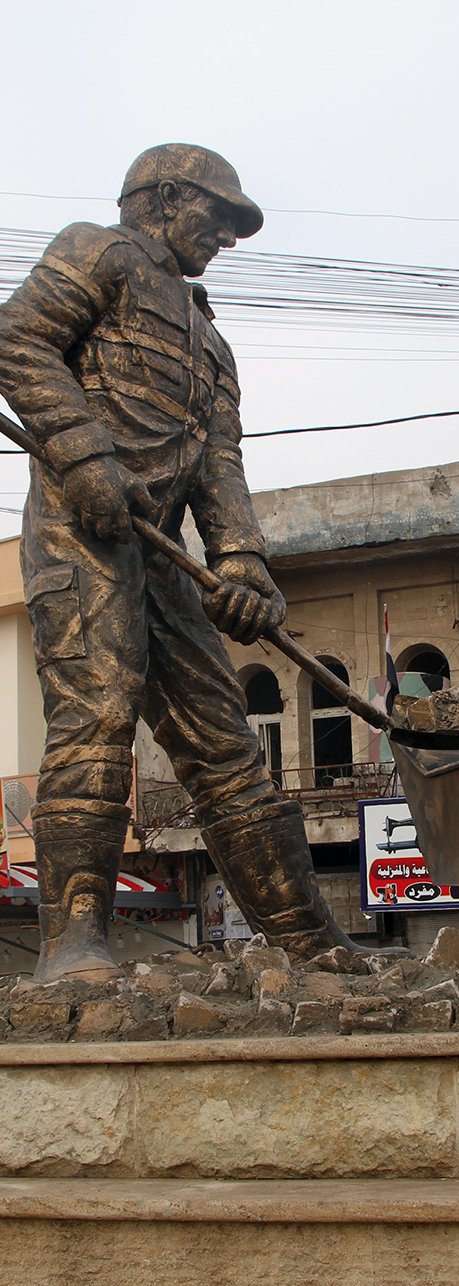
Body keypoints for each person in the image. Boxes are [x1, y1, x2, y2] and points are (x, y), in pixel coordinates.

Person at [0, 144, 378, 983]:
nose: (228, 238)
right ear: (168, 197)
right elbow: (17, 338)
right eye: (219, 215)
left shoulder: (212, 343)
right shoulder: (97, 251)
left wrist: (242, 560)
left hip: (163, 550)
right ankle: (74, 943)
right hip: (80, 531)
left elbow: (219, 462)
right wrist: (83, 451)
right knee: (97, 717)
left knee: (226, 743)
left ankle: (308, 941)